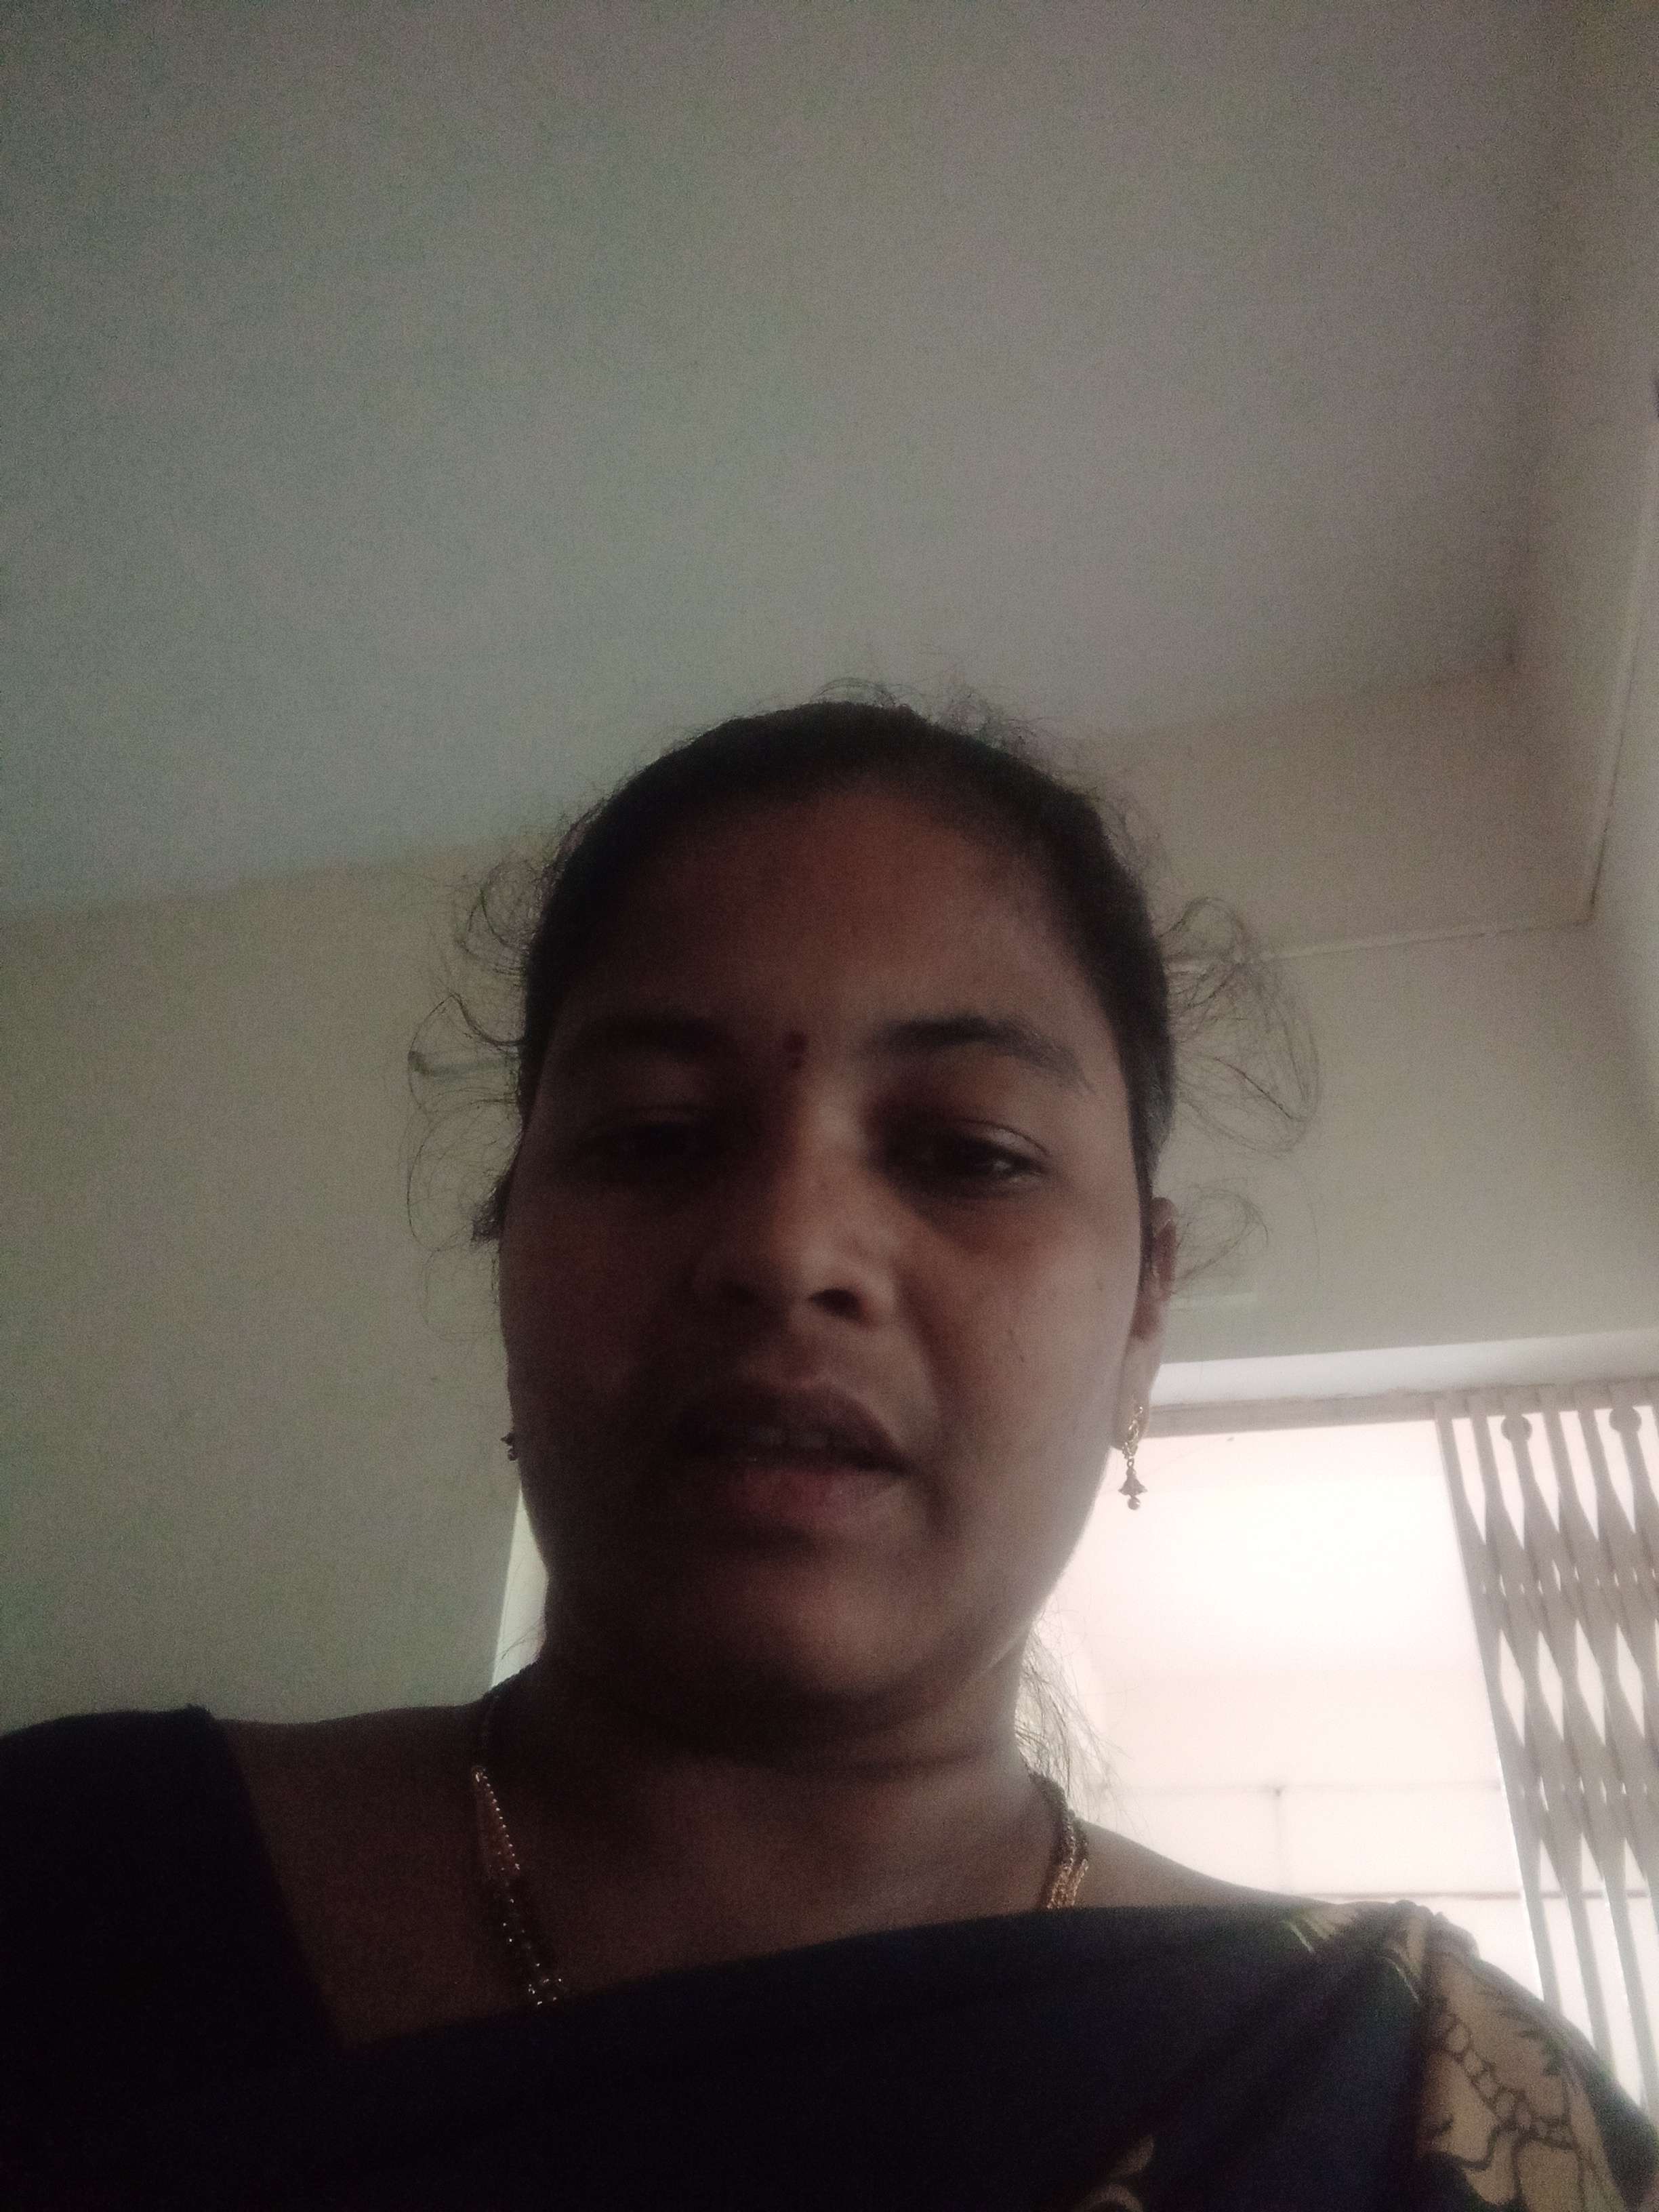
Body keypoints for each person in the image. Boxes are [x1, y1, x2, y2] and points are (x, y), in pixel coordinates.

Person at [3, 695, 1654, 2209]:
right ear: (512, 1246)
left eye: (969, 1153)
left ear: (1145, 1310)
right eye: (657, 1137)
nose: (789, 1249)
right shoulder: (63, 1887)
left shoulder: (1409, 2101)